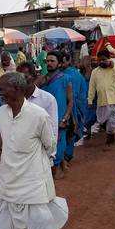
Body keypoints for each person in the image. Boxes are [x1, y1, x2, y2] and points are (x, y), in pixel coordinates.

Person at [0, 72, 69, 229]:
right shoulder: (1, 113)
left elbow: (50, 145)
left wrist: (32, 167)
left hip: (33, 188)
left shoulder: (38, 115)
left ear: (17, 90)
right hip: (8, 186)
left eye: (3, 88)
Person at [17, 62, 58, 166]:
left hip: (40, 150)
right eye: (19, 77)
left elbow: (53, 128)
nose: (22, 80)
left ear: (34, 76)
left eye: (25, 76)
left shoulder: (47, 99)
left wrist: (51, 154)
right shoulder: (15, 100)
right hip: (21, 152)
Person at [40, 51, 73, 179]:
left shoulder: (66, 79)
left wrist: (65, 118)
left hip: (59, 119)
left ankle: (57, 171)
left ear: (59, 63)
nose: (49, 63)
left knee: (58, 146)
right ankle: (61, 167)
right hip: (43, 118)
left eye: (52, 61)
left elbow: (70, 101)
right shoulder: (42, 79)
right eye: (47, 61)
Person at [88, 49, 115, 146]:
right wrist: (90, 100)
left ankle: (110, 135)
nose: (101, 62)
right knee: (102, 119)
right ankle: (109, 131)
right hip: (102, 100)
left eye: (103, 60)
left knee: (113, 120)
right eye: (99, 60)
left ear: (108, 59)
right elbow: (92, 86)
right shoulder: (95, 71)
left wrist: (113, 68)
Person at [61, 52, 87, 157]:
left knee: (71, 129)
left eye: (63, 62)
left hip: (73, 107)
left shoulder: (71, 75)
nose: (61, 64)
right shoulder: (65, 73)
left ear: (68, 61)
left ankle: (67, 155)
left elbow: (73, 96)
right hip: (69, 106)